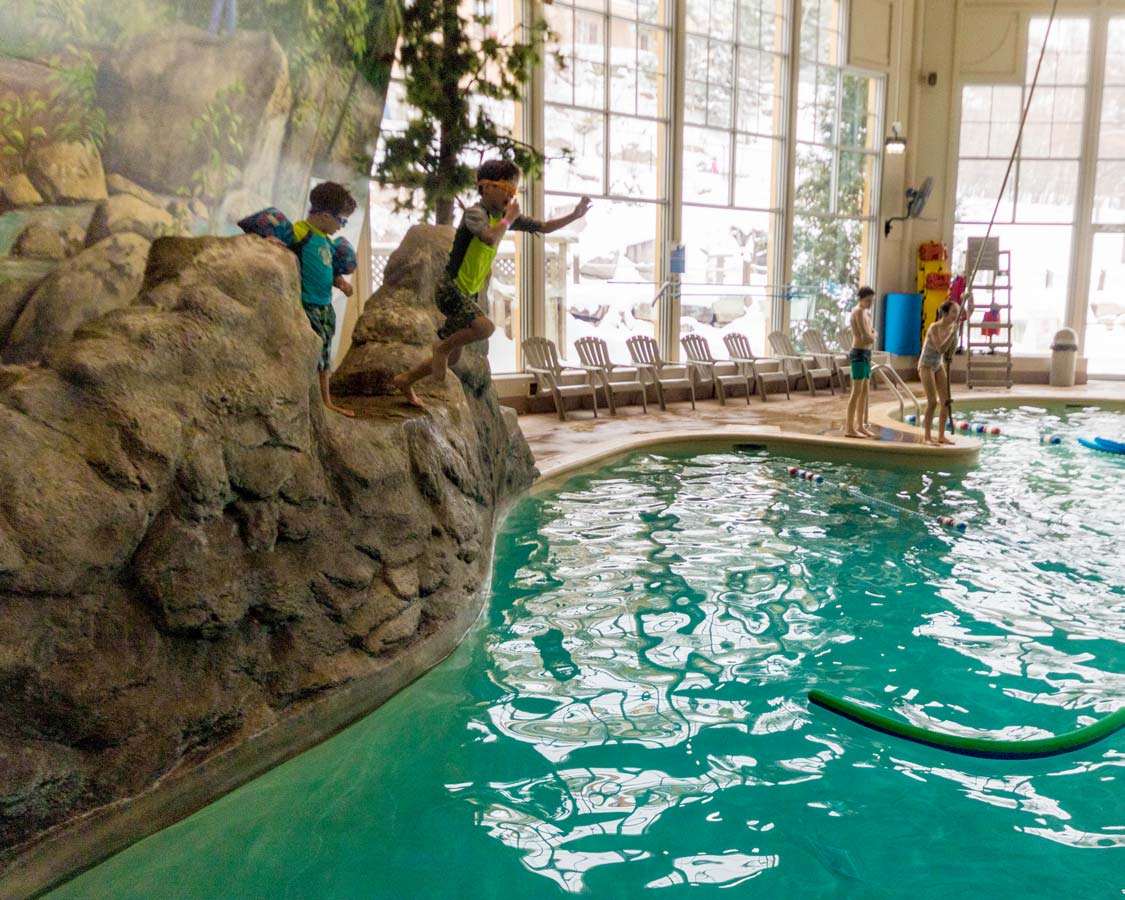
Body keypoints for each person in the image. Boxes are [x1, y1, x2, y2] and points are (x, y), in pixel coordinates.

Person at [393, 159, 593, 407]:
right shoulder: (475, 214)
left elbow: (544, 227)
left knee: (453, 356)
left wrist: (575, 214)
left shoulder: (501, 217)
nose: (510, 196)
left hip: (467, 293)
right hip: (450, 288)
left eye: (514, 191)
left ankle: (406, 380)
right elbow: (488, 237)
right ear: (486, 188)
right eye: (506, 189)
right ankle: (440, 348)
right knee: (485, 327)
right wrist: (508, 220)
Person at [284, 182, 357, 418]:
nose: (342, 227)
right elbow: (281, 240)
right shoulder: (300, 232)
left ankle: (326, 401)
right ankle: (313, 399)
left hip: (325, 306)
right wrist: (273, 243)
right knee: (314, 353)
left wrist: (342, 283)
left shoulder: (326, 241)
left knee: (325, 355)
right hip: (307, 306)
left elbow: (330, 270)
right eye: (342, 220)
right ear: (326, 216)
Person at [917, 301, 959, 446]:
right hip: (926, 365)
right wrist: (952, 334)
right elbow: (940, 348)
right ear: (945, 313)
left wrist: (955, 335)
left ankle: (941, 436)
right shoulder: (934, 327)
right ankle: (927, 437)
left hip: (938, 365)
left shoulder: (952, 328)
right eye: (953, 312)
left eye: (957, 312)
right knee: (932, 402)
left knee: (946, 402)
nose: (956, 315)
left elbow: (949, 352)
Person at [845, 286, 877, 439]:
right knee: (856, 392)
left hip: (866, 353)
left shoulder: (865, 312)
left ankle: (860, 425)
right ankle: (849, 428)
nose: (870, 303)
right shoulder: (857, 312)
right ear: (859, 299)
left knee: (864, 391)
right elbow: (866, 336)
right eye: (868, 301)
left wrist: (872, 334)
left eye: (872, 301)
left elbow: (869, 335)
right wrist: (874, 334)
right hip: (858, 353)